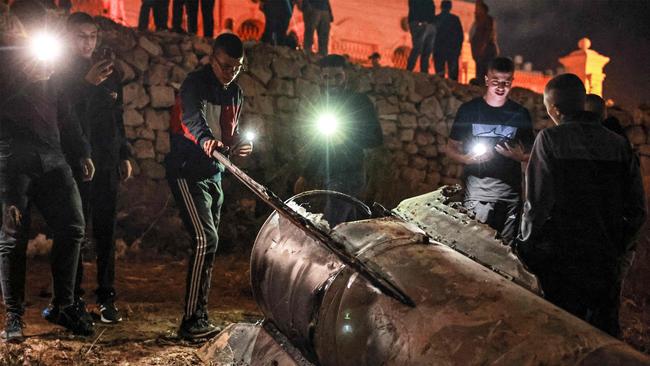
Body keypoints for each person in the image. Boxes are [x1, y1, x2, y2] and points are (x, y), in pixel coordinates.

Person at [516, 74, 646, 337]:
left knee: (562, 337)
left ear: (553, 109)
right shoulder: (619, 145)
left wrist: (525, 247)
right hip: (604, 261)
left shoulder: (549, 140)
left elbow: (536, 205)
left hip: (561, 262)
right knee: (602, 340)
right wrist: (618, 248)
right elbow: (637, 210)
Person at [0, 0, 95, 342]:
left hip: (53, 156)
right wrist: (20, 77)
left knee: (73, 226)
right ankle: (13, 316)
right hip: (13, 160)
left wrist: (81, 151)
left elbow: (65, 111)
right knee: (13, 238)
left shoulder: (49, 59)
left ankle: (63, 306)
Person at [44, 12, 132, 325]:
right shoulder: (59, 73)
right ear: (68, 37)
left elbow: (116, 115)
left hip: (106, 162)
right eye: (81, 36)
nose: (88, 42)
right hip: (74, 162)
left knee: (106, 231)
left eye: (93, 36)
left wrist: (124, 153)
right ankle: (71, 298)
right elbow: (60, 114)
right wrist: (86, 84)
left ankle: (107, 297)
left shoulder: (110, 73)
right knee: (72, 232)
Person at [165, 33, 251, 339]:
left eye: (237, 67)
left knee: (209, 245)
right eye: (226, 66)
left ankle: (200, 314)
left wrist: (238, 145)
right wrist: (205, 140)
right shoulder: (195, 83)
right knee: (204, 239)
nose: (230, 72)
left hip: (215, 173)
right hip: (188, 171)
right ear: (212, 58)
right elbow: (191, 119)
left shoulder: (236, 93)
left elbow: (232, 131)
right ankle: (190, 322)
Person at [446, 57, 534, 245]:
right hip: (478, 193)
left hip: (510, 195)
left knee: (506, 252)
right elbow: (450, 147)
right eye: (496, 82)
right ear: (486, 80)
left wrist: (520, 157)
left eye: (506, 82)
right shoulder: (469, 110)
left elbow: (532, 152)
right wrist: (467, 159)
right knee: (475, 246)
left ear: (512, 82)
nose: (501, 87)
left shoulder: (520, 114)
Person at [295, 54, 383, 227]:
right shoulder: (323, 105)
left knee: (329, 226)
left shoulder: (360, 102)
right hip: (330, 175)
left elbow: (376, 139)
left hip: (350, 175)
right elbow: (321, 144)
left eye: (337, 76)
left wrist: (347, 136)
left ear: (345, 76)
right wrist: (306, 174)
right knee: (347, 229)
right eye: (327, 77)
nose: (332, 82)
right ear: (321, 78)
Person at [433, 0, 463, 80]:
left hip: (439, 50)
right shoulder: (455, 19)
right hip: (452, 50)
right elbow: (460, 36)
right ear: (450, 8)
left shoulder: (436, 19)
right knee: (453, 76)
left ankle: (441, 90)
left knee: (439, 75)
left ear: (441, 7)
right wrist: (458, 50)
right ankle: (453, 90)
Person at [469, 0, 497, 82]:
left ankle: (485, 86)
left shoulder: (487, 20)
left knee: (485, 70)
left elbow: (487, 35)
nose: (475, 11)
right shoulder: (477, 22)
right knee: (480, 70)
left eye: (478, 9)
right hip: (479, 51)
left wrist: (482, 48)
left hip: (486, 50)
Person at [406, 0, 436, 73]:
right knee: (418, 47)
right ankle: (409, 70)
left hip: (428, 24)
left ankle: (424, 71)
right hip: (419, 23)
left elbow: (431, 8)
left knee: (427, 49)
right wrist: (422, 21)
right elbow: (415, 8)